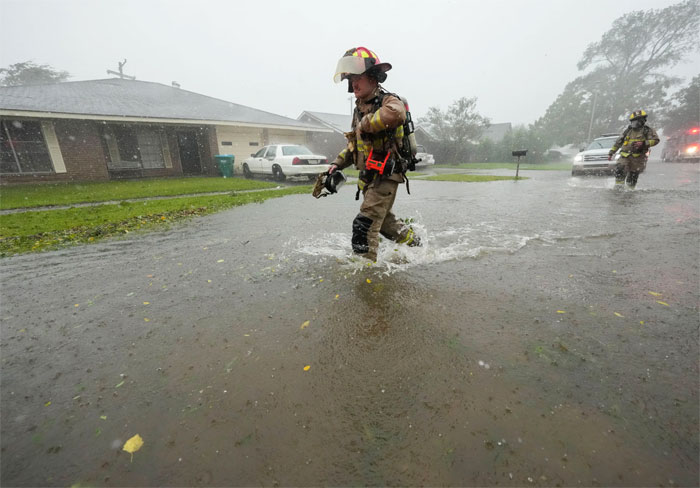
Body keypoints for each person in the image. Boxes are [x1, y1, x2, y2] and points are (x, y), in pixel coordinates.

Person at [328, 46, 420, 262]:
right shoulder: (359, 108)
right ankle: (416, 243)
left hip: (387, 176)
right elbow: (354, 145)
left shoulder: (388, 100)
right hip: (370, 177)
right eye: (350, 79)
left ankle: (365, 273)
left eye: (357, 77)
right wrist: (336, 164)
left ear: (372, 77)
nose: (353, 84)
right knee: (386, 225)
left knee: (364, 224)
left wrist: (367, 123)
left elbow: (397, 113)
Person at [608, 110, 660, 189]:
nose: (635, 123)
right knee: (620, 168)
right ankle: (618, 188)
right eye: (634, 121)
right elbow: (619, 142)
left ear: (642, 121)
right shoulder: (628, 130)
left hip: (638, 157)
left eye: (637, 121)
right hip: (625, 155)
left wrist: (643, 143)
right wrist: (611, 152)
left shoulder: (648, 130)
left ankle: (630, 190)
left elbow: (656, 140)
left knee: (633, 175)